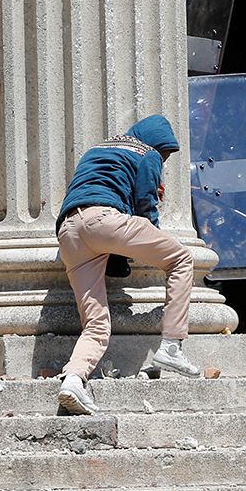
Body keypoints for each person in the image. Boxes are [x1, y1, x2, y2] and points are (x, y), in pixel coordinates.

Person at [55, 115, 201, 416]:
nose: (162, 161)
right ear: (156, 144)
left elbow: (97, 184)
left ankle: (72, 381)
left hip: (68, 231)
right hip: (104, 221)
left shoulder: (97, 149)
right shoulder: (146, 152)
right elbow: (145, 203)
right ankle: (172, 347)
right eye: (164, 155)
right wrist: (153, 229)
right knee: (181, 259)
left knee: (96, 324)